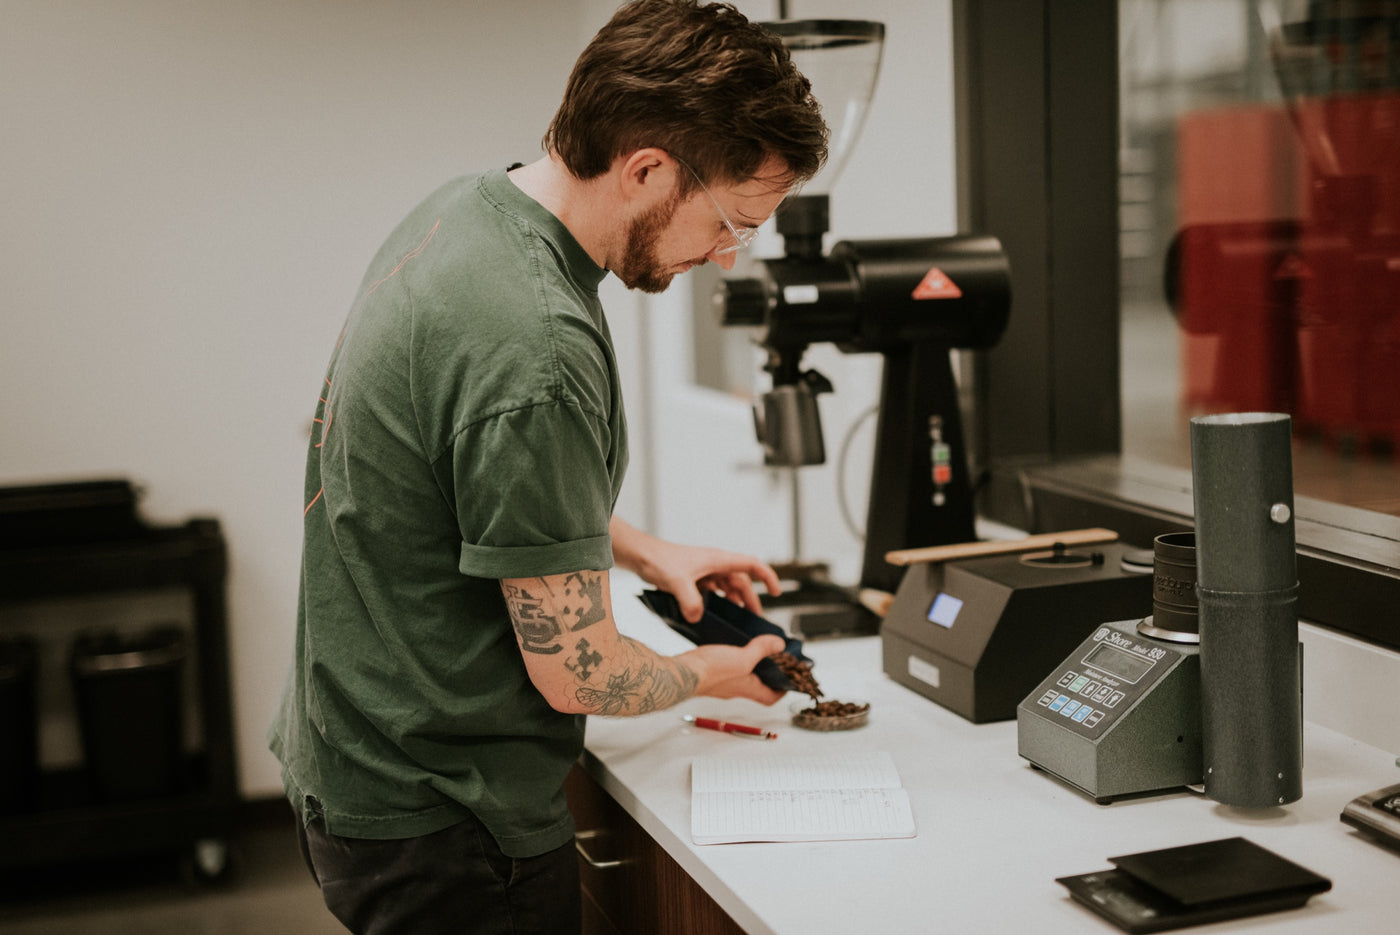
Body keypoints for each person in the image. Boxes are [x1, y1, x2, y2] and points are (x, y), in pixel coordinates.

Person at [268, 1, 828, 933]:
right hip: (447, 819)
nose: (728, 257)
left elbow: (460, 472)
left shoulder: (467, 212)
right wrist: (719, 670)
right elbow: (584, 674)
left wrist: (649, 552)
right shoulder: (535, 343)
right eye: (731, 222)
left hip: (353, 755)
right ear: (647, 168)